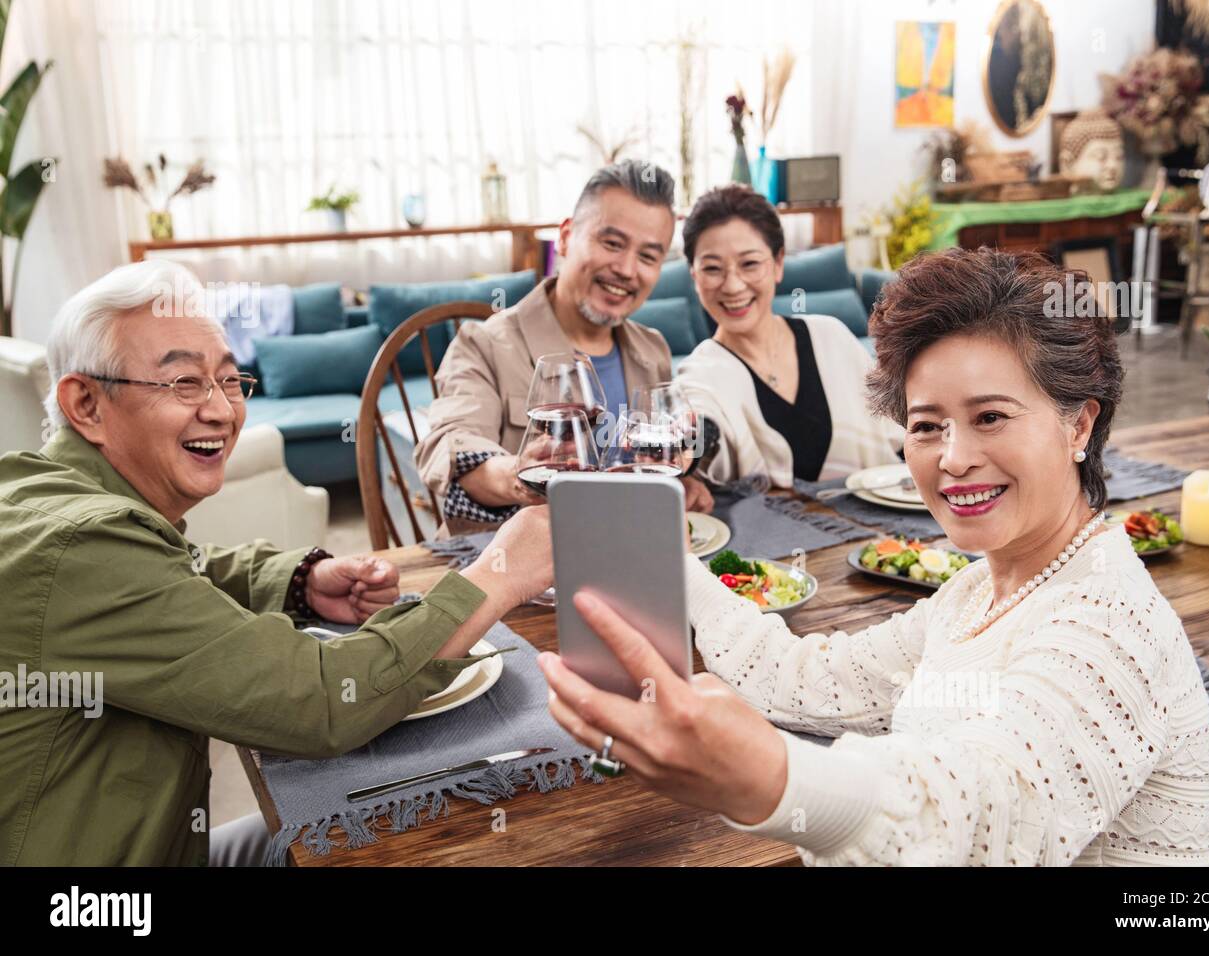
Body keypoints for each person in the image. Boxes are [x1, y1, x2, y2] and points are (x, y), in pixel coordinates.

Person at [539, 247, 1209, 866]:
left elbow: (987, 809)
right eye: (927, 426)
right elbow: (809, 677)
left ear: (1080, 423)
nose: (953, 459)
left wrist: (770, 776)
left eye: (990, 417)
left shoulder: (1109, 617)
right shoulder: (979, 593)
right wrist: (657, 551)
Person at [0, 260, 553, 866]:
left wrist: (299, 581)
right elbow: (317, 702)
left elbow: (178, 569)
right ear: (85, 403)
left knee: (379, 825)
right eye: (185, 382)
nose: (221, 410)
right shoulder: (81, 548)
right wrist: (499, 575)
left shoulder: (47, 498)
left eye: (231, 381)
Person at [415, 159, 713, 532]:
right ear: (567, 236)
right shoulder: (483, 343)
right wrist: (521, 474)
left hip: (618, 554)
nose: (626, 269)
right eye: (612, 243)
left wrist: (675, 482)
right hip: (499, 566)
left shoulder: (652, 349)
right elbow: (451, 448)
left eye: (647, 256)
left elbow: (648, 461)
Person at [673, 184, 904, 487]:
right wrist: (684, 447)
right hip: (768, 534)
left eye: (750, 264)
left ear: (778, 263)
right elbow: (701, 428)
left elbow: (901, 431)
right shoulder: (699, 374)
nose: (732, 286)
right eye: (713, 268)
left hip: (882, 532)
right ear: (694, 275)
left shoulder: (831, 336)